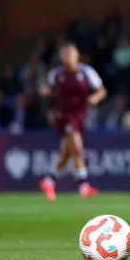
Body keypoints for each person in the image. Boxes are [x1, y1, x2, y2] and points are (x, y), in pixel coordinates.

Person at [39, 43, 107, 200]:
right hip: (63, 115)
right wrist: (46, 93)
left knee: (67, 152)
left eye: (71, 54)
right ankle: (83, 185)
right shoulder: (56, 74)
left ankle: (49, 180)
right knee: (77, 146)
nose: (68, 58)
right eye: (65, 55)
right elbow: (47, 91)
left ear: (77, 56)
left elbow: (102, 91)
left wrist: (95, 98)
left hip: (80, 115)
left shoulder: (87, 72)